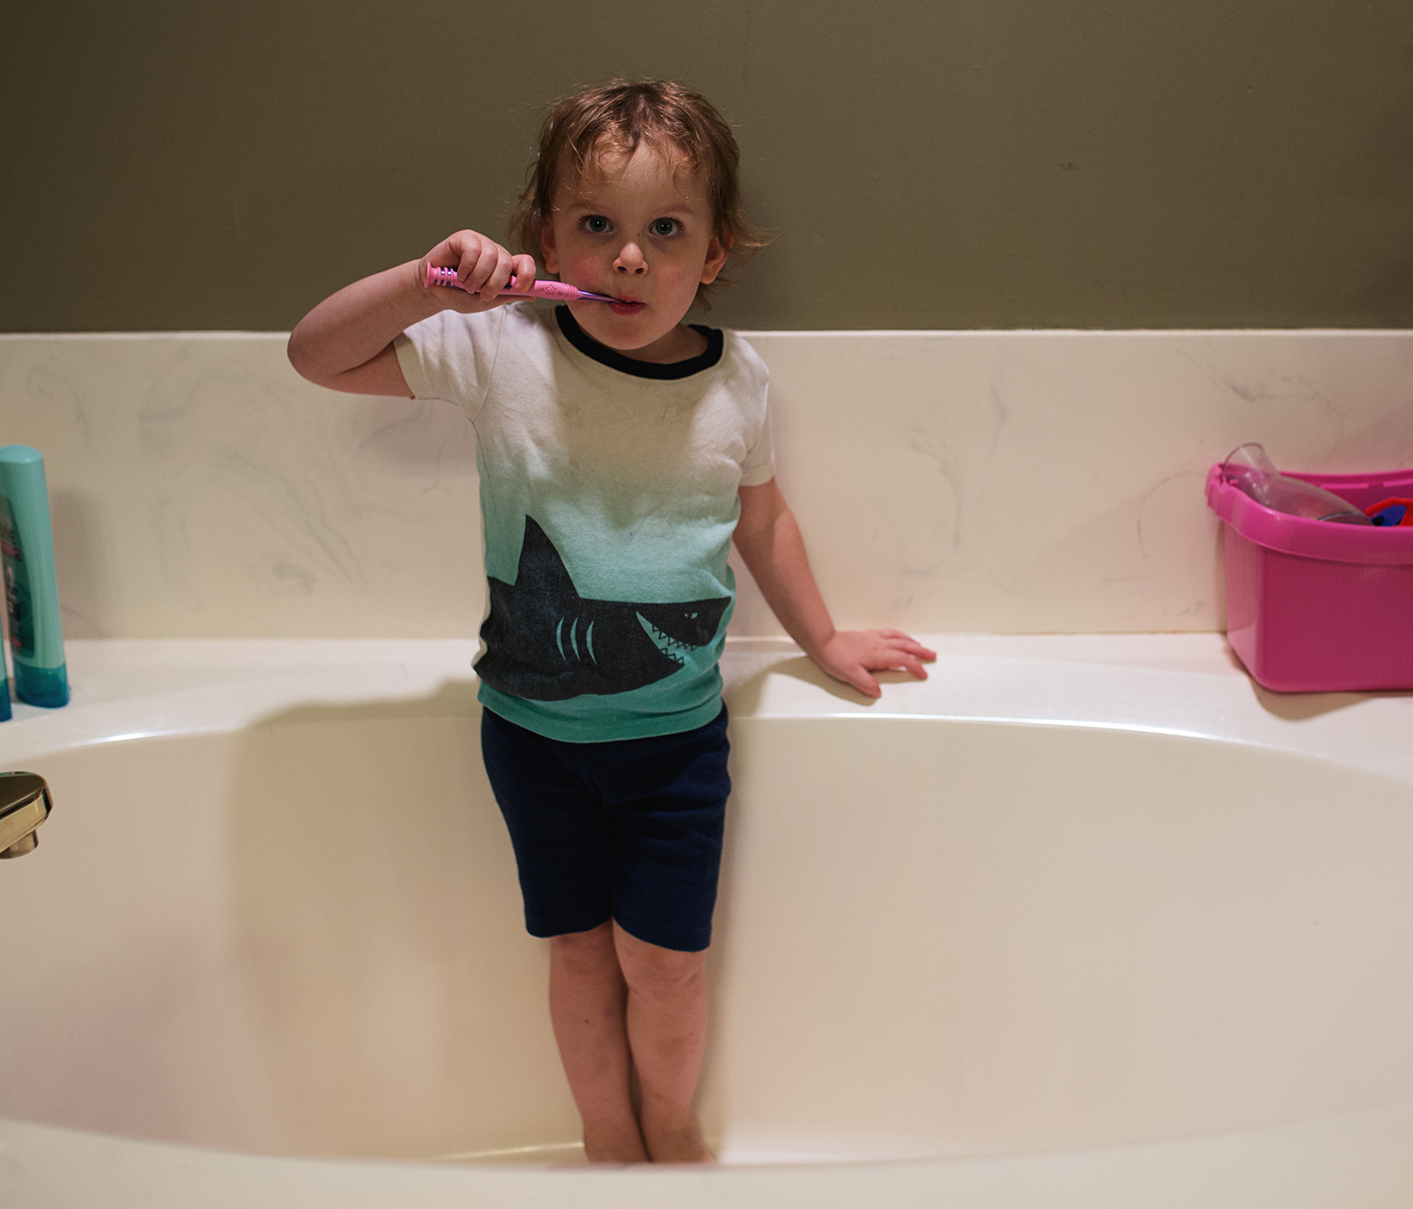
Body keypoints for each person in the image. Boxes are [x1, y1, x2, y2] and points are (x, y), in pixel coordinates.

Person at [287, 79, 935, 1164]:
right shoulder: (504, 353)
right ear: (547, 239)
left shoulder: (737, 382)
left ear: (713, 255)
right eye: (596, 227)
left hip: (676, 746)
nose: (628, 258)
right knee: (579, 956)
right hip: (531, 741)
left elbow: (763, 522)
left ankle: (669, 1128)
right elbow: (314, 355)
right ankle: (604, 1138)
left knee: (666, 962)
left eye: (664, 231)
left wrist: (822, 641)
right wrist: (426, 286)